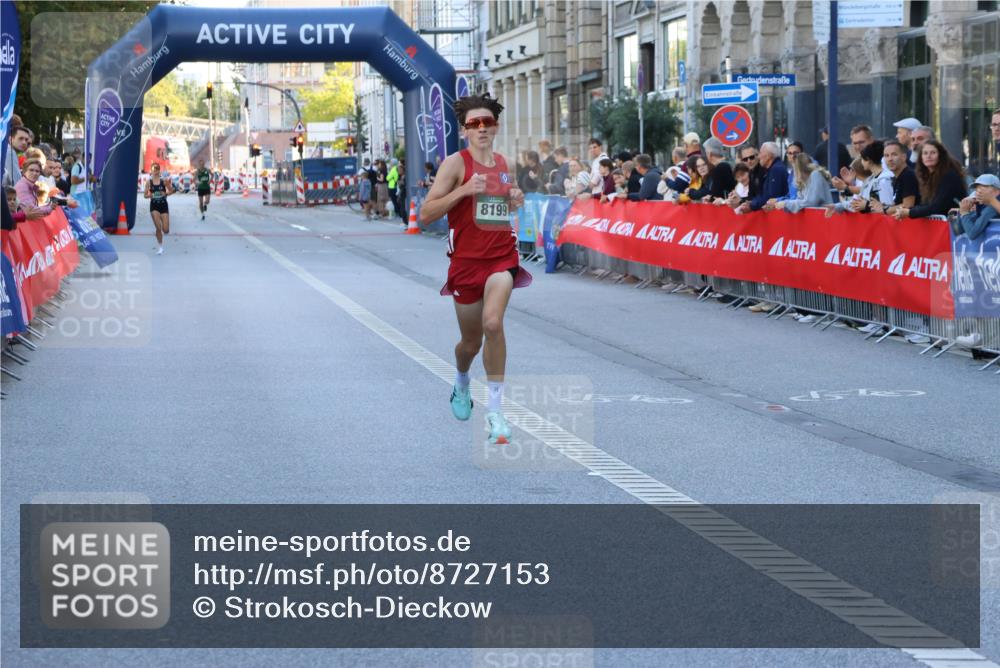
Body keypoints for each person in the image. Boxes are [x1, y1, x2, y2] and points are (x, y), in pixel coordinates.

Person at [417, 93, 529, 445]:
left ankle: (495, 411)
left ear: (495, 127)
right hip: (465, 263)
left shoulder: (505, 163)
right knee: (470, 343)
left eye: (487, 122)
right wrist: (463, 191)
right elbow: (426, 213)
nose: (481, 128)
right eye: (474, 124)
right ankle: (462, 379)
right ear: (464, 130)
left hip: (500, 258)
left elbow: (507, 204)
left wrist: (516, 199)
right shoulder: (455, 164)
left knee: (493, 323)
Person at [890, 140, 966, 220]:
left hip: (954, 224)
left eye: (933, 153)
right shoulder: (927, 176)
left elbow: (937, 206)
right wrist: (908, 211)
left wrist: (910, 212)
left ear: (940, 155)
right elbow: (926, 205)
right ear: (921, 157)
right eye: (925, 153)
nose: (928, 156)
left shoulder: (949, 175)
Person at [739, 143, 787, 212]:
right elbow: (753, 196)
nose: (759, 156)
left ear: (769, 155)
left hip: (778, 213)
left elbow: (771, 197)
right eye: (745, 159)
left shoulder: (774, 169)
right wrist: (741, 201)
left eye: (752, 157)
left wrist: (751, 205)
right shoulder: (753, 172)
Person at [955, 173, 1000, 240]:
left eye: (984, 187)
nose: (978, 191)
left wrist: (964, 213)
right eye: (976, 188)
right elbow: (959, 231)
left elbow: (972, 234)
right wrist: (962, 209)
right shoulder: (980, 206)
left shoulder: (991, 208)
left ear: (997, 192)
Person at [690, 139, 735, 203]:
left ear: (709, 154)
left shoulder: (720, 168)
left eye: (706, 152)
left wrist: (710, 198)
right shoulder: (727, 164)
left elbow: (716, 194)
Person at [144, 163, 173, 255]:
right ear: (151, 171)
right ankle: (160, 247)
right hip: (154, 206)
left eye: (157, 169)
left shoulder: (164, 181)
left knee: (166, 230)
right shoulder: (149, 182)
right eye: (154, 169)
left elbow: (172, 190)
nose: (155, 171)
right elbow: (145, 195)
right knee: (158, 227)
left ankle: (162, 232)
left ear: (159, 170)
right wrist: (150, 195)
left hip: (163, 205)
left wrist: (166, 193)